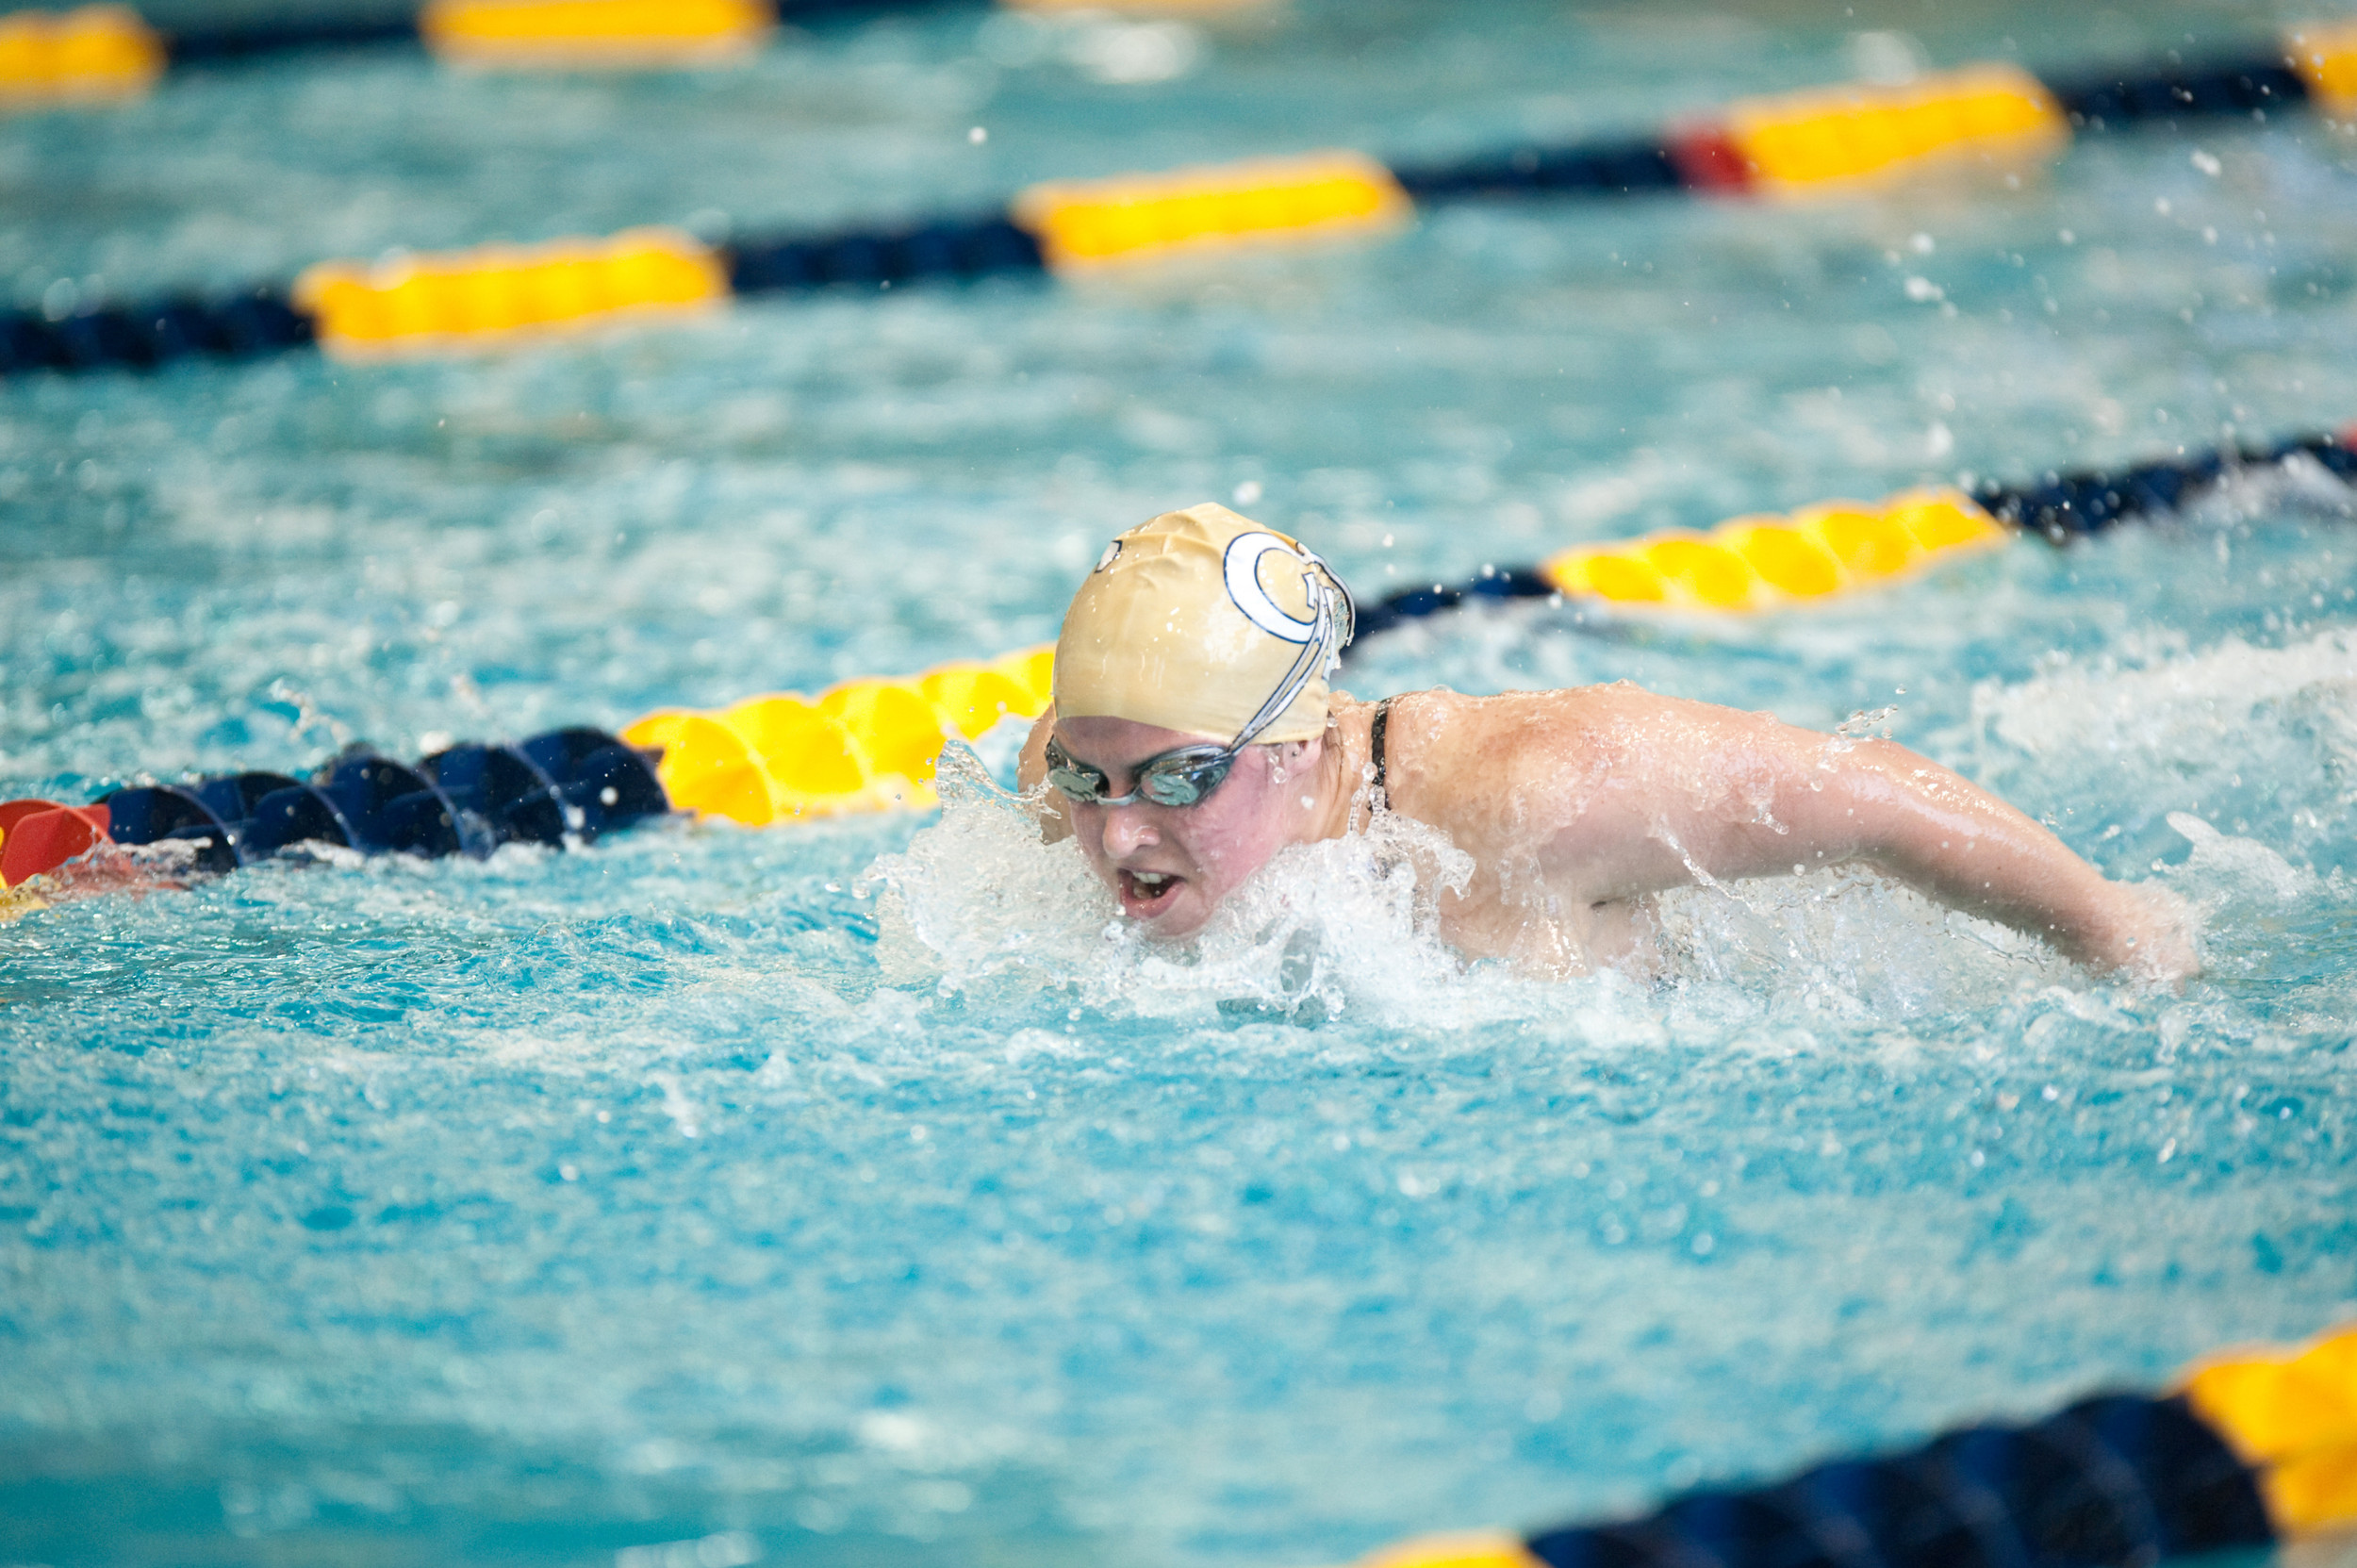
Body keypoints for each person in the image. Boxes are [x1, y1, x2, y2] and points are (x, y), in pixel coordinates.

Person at [1016, 503, 2196, 982]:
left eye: (1179, 777)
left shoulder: (1535, 797)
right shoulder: (1064, 778)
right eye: (1088, 776)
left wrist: (2126, 946)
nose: (1116, 831)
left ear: (1295, 743)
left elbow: (1876, 797)